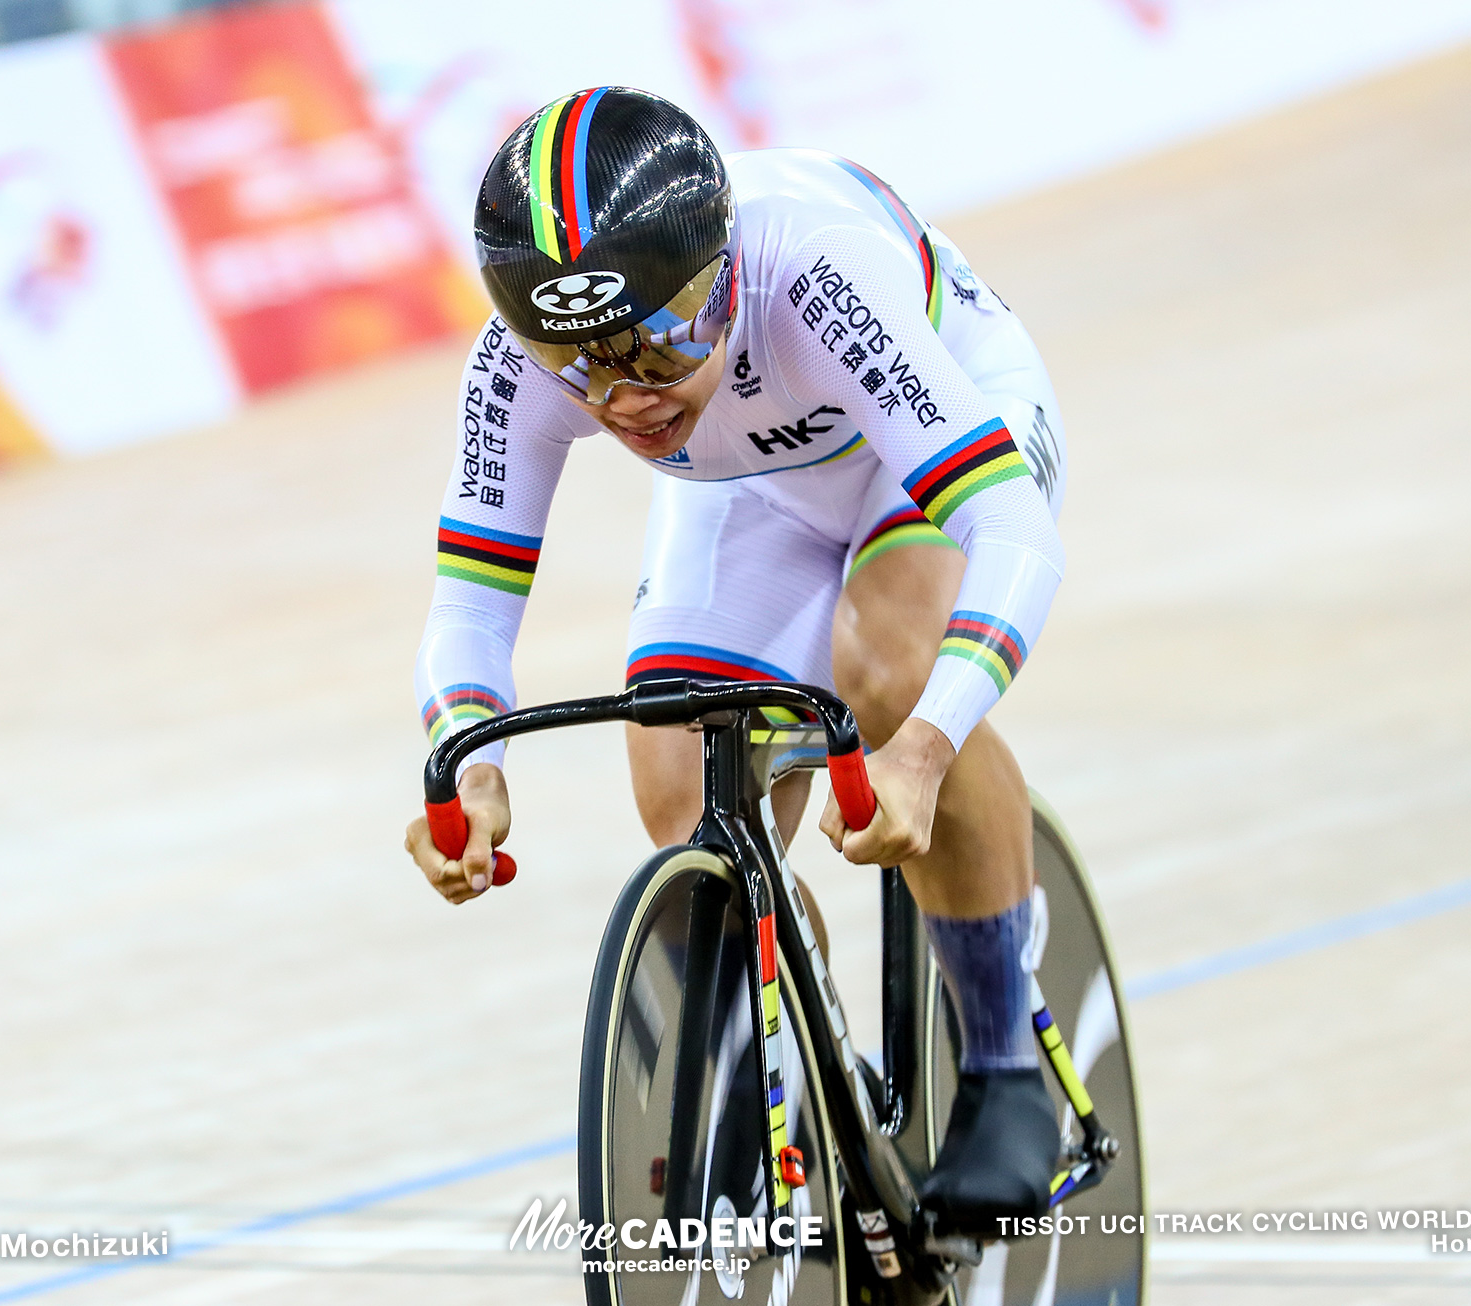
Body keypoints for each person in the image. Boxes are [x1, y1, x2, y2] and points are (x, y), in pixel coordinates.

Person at [403, 87, 1069, 1236]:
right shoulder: (520, 367)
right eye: (580, 370)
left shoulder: (808, 270)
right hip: (754, 485)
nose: (626, 400)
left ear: (719, 277)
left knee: (885, 665)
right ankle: (809, 1058)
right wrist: (464, 761)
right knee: (681, 778)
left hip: (927, 441)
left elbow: (1012, 535)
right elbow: (468, 606)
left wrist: (919, 747)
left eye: (658, 345)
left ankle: (1008, 1061)